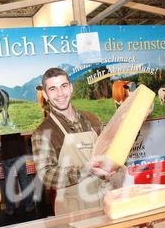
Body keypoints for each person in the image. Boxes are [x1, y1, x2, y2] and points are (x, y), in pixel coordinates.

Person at [31, 67, 121, 215]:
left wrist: (137, 120)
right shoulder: (43, 133)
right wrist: (85, 169)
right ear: (45, 95)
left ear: (71, 88)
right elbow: (46, 175)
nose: (60, 94)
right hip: (74, 213)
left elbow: (111, 147)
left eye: (64, 86)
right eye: (53, 89)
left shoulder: (92, 119)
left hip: (107, 204)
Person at [0, 134, 35, 216]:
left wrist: (1, 149)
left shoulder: (0, 124)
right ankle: (29, 206)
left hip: (6, 155)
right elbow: (26, 134)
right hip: (20, 153)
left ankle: (10, 209)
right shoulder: (18, 122)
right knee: (24, 180)